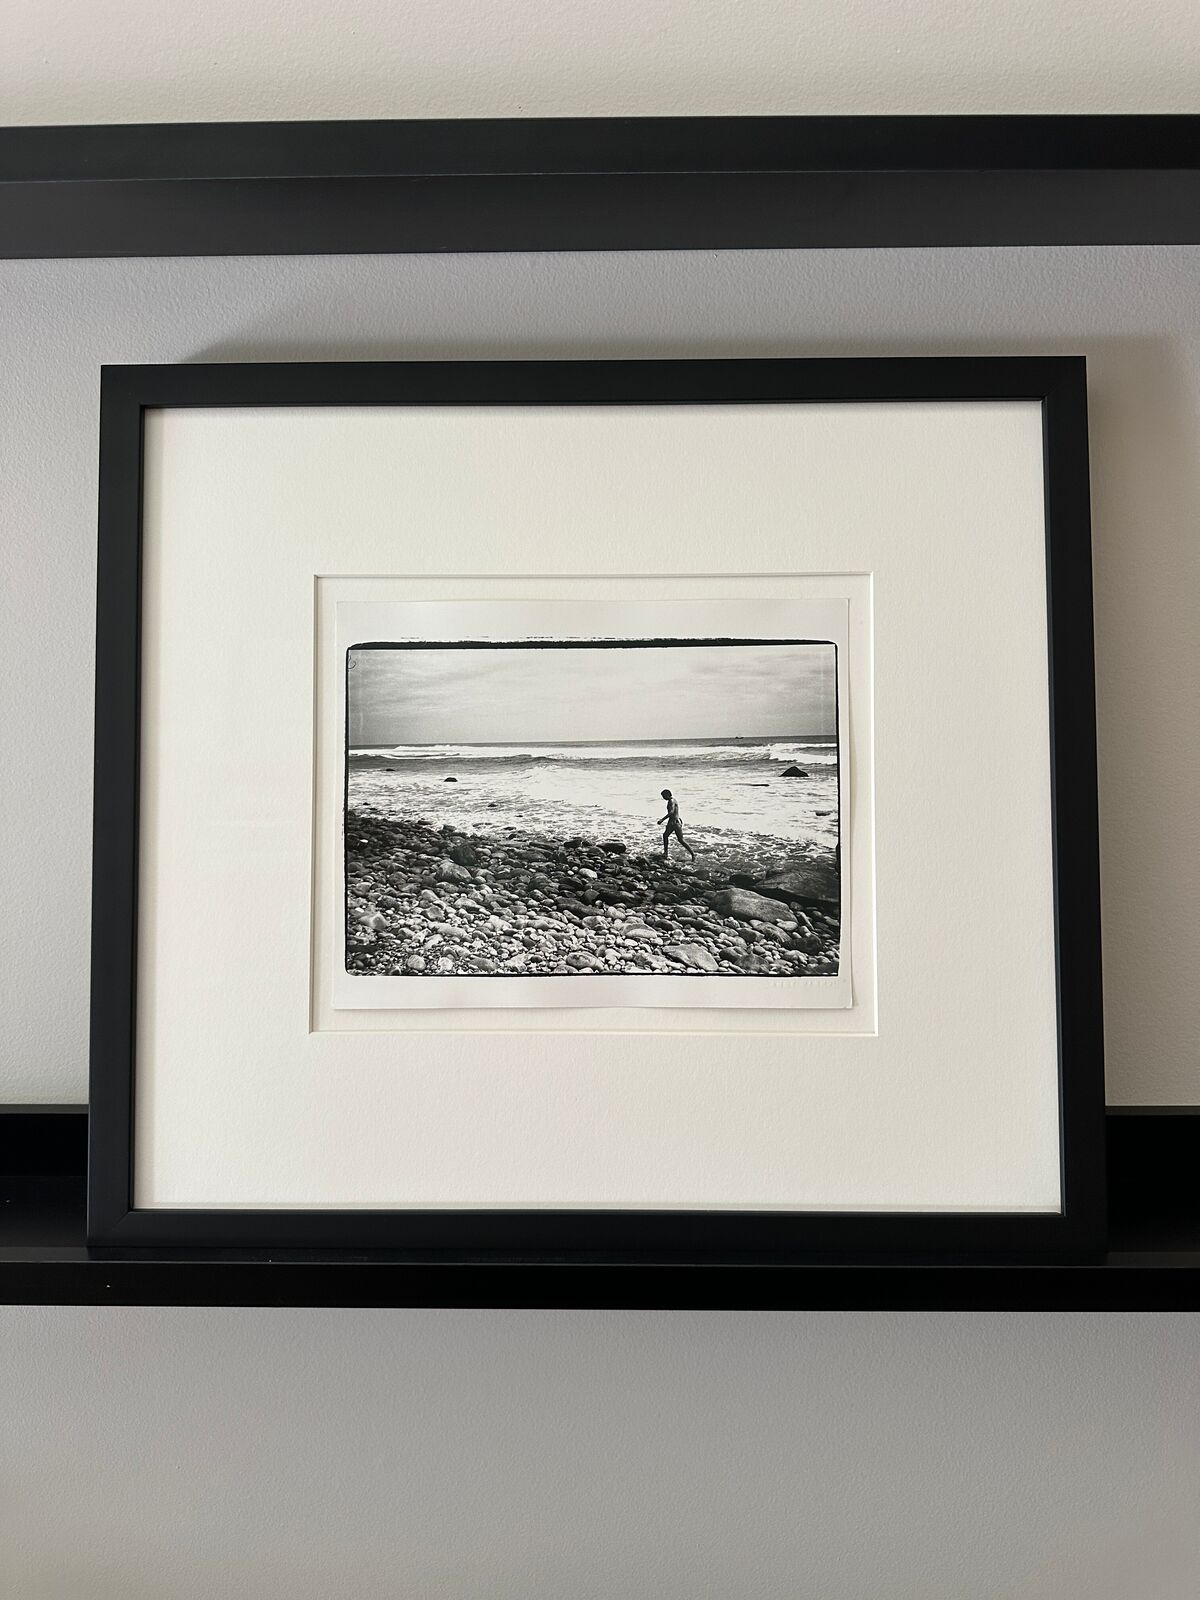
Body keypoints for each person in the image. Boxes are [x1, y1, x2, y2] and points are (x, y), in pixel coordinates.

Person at [657, 788, 696, 862]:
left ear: (667, 794)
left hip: (675, 823)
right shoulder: (672, 800)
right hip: (673, 822)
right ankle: (666, 853)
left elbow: (671, 812)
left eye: (663, 796)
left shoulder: (671, 801)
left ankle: (693, 855)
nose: (663, 798)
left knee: (680, 840)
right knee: (665, 836)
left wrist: (662, 820)